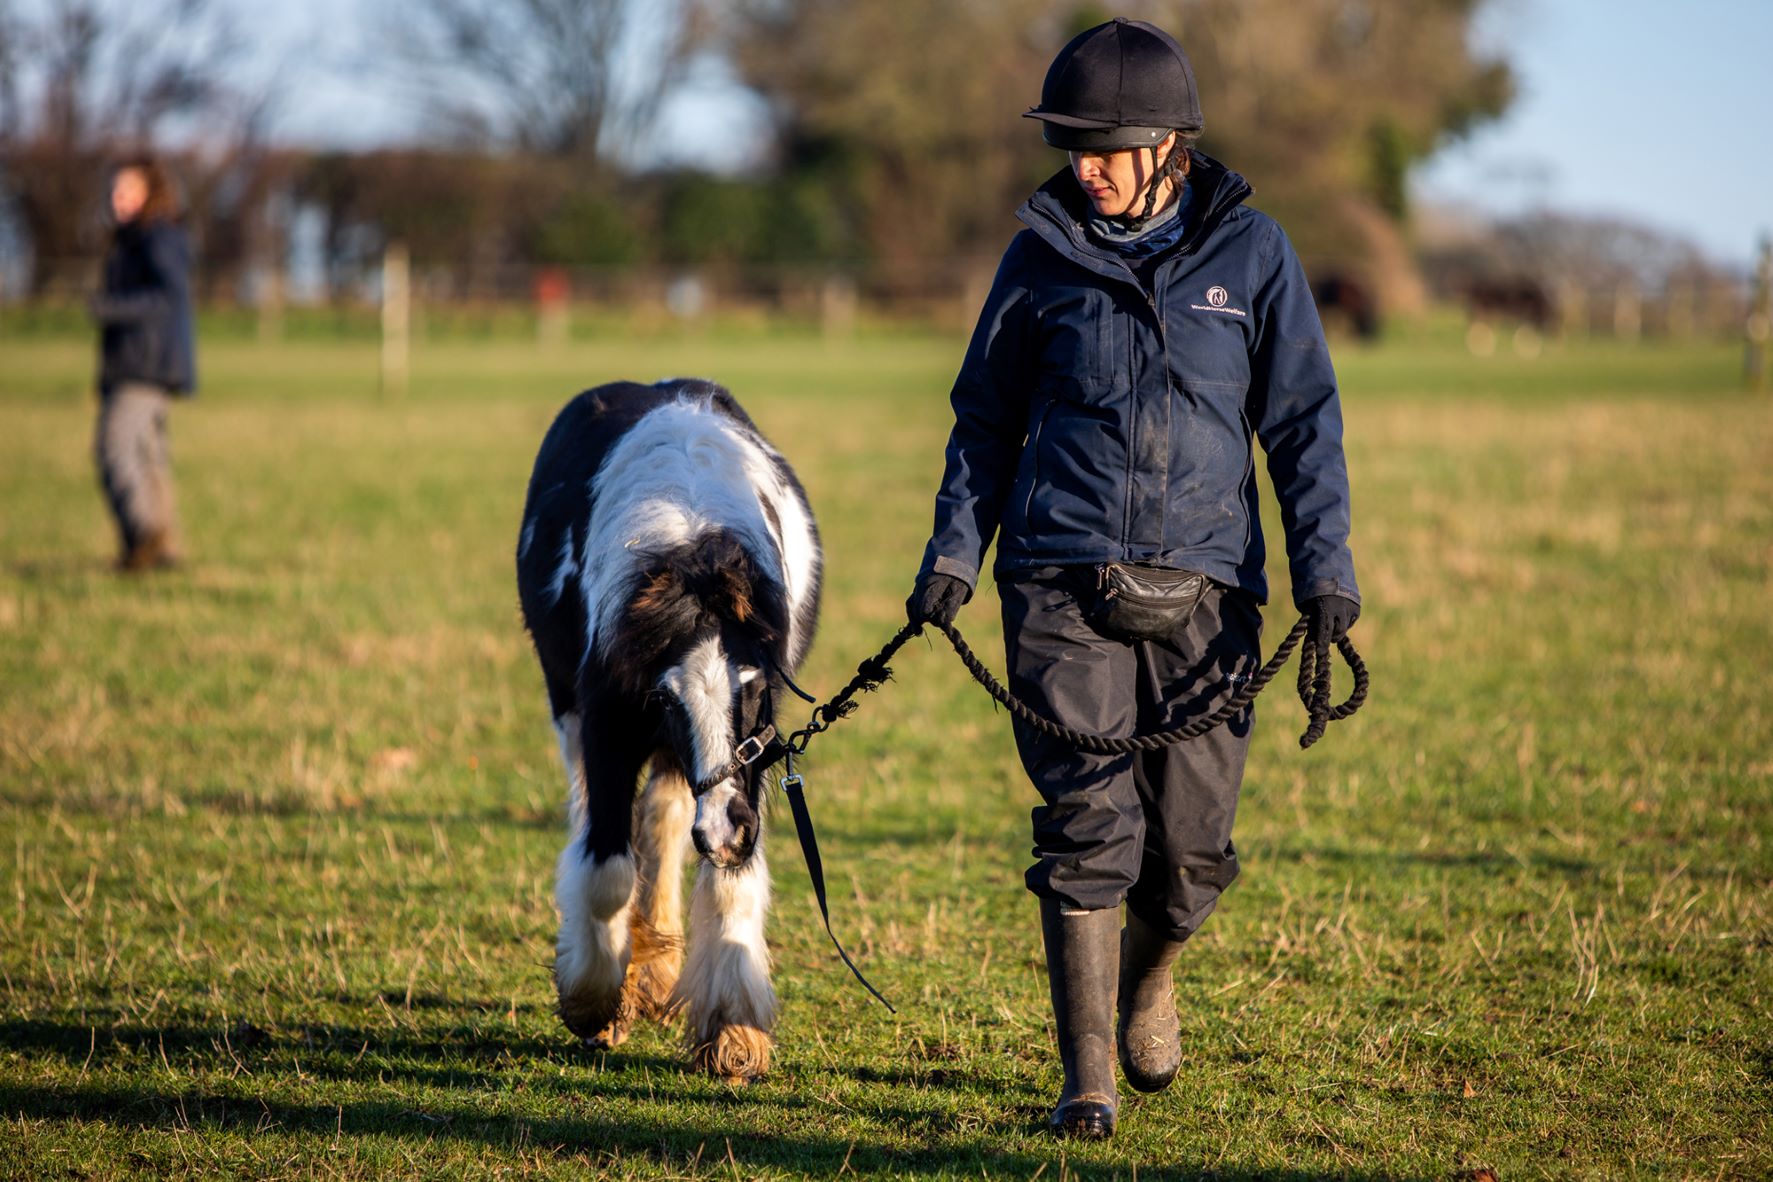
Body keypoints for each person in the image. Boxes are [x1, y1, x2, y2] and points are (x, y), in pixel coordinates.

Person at [906, 18, 1360, 1139]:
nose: (1087, 169)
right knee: (1086, 828)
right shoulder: (1037, 258)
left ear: (1170, 145)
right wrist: (954, 555)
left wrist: (1326, 575)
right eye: (1075, 148)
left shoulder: (1257, 258)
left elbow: (1303, 426)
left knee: (1193, 858)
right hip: (1059, 578)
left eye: (1106, 148)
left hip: (1212, 593)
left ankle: (1151, 976)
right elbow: (984, 423)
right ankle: (1088, 1080)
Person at [89, 155, 195, 571]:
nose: (116, 198)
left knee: (114, 447)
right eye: (114, 190)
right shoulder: (137, 238)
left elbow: (169, 297)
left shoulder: (157, 237)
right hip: (150, 361)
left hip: (145, 364)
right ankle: (164, 549)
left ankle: (144, 537)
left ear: (151, 193)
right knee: (149, 455)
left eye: (127, 190)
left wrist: (111, 308)